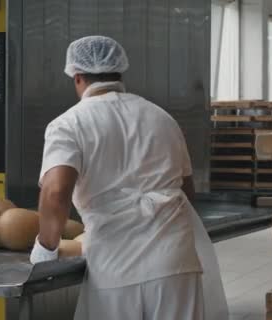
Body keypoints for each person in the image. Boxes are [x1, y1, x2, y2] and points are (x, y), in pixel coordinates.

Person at [30, 35, 228, 320]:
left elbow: (55, 192)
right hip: (175, 261)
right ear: (119, 72)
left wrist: (45, 248)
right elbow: (186, 189)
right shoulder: (162, 118)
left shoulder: (69, 124)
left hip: (117, 265)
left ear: (77, 77)